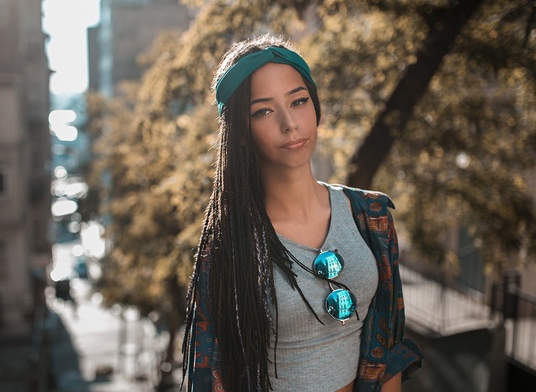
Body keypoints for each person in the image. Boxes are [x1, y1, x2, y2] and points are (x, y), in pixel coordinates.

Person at [181, 34, 423, 392]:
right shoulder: (227, 248)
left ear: (315, 107)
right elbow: (214, 376)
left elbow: (386, 346)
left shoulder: (370, 215)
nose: (289, 123)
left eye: (298, 101)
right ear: (241, 132)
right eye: (263, 110)